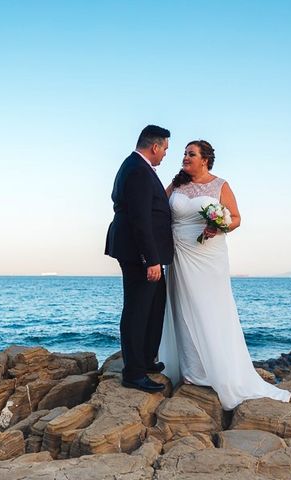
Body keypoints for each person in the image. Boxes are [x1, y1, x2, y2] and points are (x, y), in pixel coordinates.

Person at [158, 140, 291, 410]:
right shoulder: (177, 184)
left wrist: (219, 226)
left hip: (208, 254)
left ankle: (217, 368)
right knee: (182, 307)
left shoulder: (220, 185)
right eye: (184, 153)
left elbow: (237, 218)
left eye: (190, 154)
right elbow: (159, 208)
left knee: (210, 308)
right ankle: (191, 369)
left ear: (205, 159)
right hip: (179, 253)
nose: (185, 157)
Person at [105, 125, 174, 393]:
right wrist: (150, 259)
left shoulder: (138, 167)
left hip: (145, 252)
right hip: (139, 254)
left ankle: (145, 359)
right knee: (137, 310)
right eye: (165, 149)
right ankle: (133, 372)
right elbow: (140, 220)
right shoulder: (137, 170)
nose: (165, 155)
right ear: (155, 146)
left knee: (155, 305)